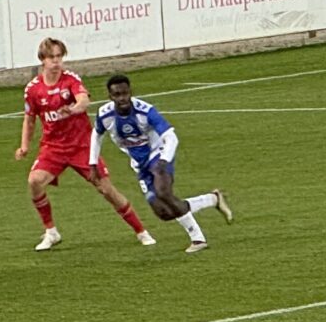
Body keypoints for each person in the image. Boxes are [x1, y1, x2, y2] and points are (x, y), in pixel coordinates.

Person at [16, 38, 152, 251]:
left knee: (106, 189)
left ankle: (141, 231)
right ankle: (51, 232)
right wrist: (24, 146)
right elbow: (30, 118)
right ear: (42, 59)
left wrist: (72, 109)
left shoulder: (70, 79)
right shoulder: (33, 89)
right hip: (53, 148)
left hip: (82, 146)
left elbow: (83, 100)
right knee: (34, 181)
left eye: (59, 56)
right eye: (52, 57)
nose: (56, 61)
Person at [96, 74, 234, 252]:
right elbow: (96, 135)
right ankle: (212, 199)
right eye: (117, 94)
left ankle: (198, 239)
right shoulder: (105, 114)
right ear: (110, 96)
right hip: (140, 165)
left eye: (125, 93)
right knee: (164, 213)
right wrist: (92, 162)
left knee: (163, 192)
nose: (122, 98)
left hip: (158, 154)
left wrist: (164, 160)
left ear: (130, 92)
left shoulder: (145, 111)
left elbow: (171, 136)